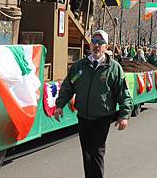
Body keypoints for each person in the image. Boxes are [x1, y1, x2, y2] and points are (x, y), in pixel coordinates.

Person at [54, 30, 132, 178]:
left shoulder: (114, 68)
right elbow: (68, 86)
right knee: (87, 154)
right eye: (94, 42)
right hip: (83, 117)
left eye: (100, 43)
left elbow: (124, 93)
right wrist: (59, 106)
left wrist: (124, 115)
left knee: (96, 152)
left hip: (102, 118)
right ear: (90, 44)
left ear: (106, 46)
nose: (96, 45)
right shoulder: (80, 66)